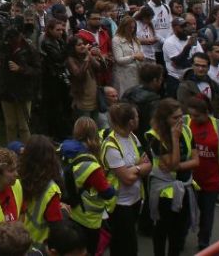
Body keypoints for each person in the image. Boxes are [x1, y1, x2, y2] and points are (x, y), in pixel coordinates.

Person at [144, 98, 197, 256]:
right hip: (164, 192)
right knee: (162, 230)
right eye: (175, 117)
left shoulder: (186, 130)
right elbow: (173, 163)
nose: (180, 120)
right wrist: (174, 138)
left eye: (181, 116)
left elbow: (196, 161)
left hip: (184, 186)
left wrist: (177, 166)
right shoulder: (154, 136)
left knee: (178, 232)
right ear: (164, 118)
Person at [58, 117, 115, 255]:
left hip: (70, 209)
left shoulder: (64, 150)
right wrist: (114, 187)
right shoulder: (91, 165)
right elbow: (106, 192)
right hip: (88, 218)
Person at [183, 96, 219, 251]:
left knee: (207, 215)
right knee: (185, 214)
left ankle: (204, 243)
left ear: (207, 112)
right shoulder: (184, 122)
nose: (193, 118)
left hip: (211, 180)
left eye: (196, 115)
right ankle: (179, 240)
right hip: (189, 180)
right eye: (191, 115)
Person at [103, 102, 150, 256]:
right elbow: (127, 178)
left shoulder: (132, 137)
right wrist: (138, 168)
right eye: (136, 116)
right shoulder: (111, 146)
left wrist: (134, 169)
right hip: (120, 205)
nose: (139, 118)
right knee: (127, 248)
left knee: (125, 244)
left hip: (135, 200)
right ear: (130, 122)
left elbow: (148, 164)